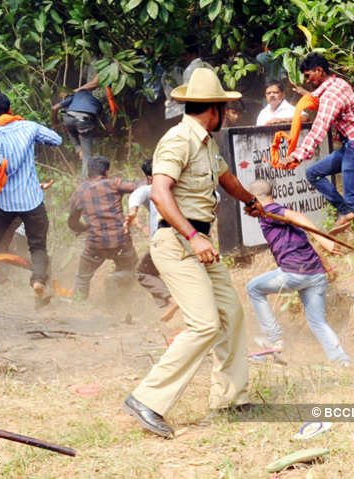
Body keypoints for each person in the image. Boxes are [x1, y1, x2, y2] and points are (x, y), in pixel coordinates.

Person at [122, 67, 265, 439]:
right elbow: (160, 191)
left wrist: (252, 201)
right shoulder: (178, 140)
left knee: (230, 314)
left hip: (199, 242)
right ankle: (147, 399)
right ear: (213, 109)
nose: (226, 115)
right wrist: (192, 236)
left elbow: (224, 177)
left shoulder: (205, 142)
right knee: (203, 323)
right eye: (223, 108)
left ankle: (231, 398)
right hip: (177, 241)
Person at [286, 53, 354, 249]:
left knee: (352, 197)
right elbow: (320, 99)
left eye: (309, 76)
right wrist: (307, 95)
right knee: (313, 173)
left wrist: (298, 154)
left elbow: (319, 128)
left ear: (319, 71)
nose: (307, 81)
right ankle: (345, 211)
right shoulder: (338, 84)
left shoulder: (331, 95)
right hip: (352, 145)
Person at [246, 179, 351, 365]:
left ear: (254, 200)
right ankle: (342, 360)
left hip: (295, 273)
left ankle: (274, 339)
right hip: (316, 275)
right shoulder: (277, 214)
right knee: (318, 322)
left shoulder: (269, 211)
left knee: (253, 288)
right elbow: (305, 239)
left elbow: (299, 217)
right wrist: (326, 265)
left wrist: (324, 239)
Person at [0, 93, 62, 304]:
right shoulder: (29, 126)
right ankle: (38, 281)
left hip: (6, 204)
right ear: (10, 109)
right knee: (38, 246)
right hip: (32, 201)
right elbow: (56, 140)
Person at [68, 156, 138, 300]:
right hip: (120, 240)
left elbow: (72, 221)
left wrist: (83, 228)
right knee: (130, 269)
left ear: (88, 173)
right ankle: (116, 282)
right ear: (106, 172)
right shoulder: (113, 184)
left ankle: (79, 302)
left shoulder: (80, 190)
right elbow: (140, 187)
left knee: (83, 277)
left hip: (95, 243)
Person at [124, 159, 176, 319]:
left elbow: (138, 193)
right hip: (190, 238)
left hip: (163, 241)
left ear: (150, 178)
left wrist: (132, 211)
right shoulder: (183, 187)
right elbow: (216, 196)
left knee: (142, 272)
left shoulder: (154, 188)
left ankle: (172, 300)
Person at [51, 89, 108, 178]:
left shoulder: (74, 96)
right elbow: (106, 125)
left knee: (70, 129)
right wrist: (104, 133)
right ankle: (84, 181)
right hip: (84, 121)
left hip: (69, 119)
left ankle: (78, 149)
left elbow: (54, 108)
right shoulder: (97, 101)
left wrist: (54, 124)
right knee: (87, 155)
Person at [161, 42, 212, 120]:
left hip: (182, 112)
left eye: (184, 55)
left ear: (193, 54)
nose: (182, 58)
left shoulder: (189, 70)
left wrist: (177, 98)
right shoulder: (208, 66)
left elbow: (188, 97)